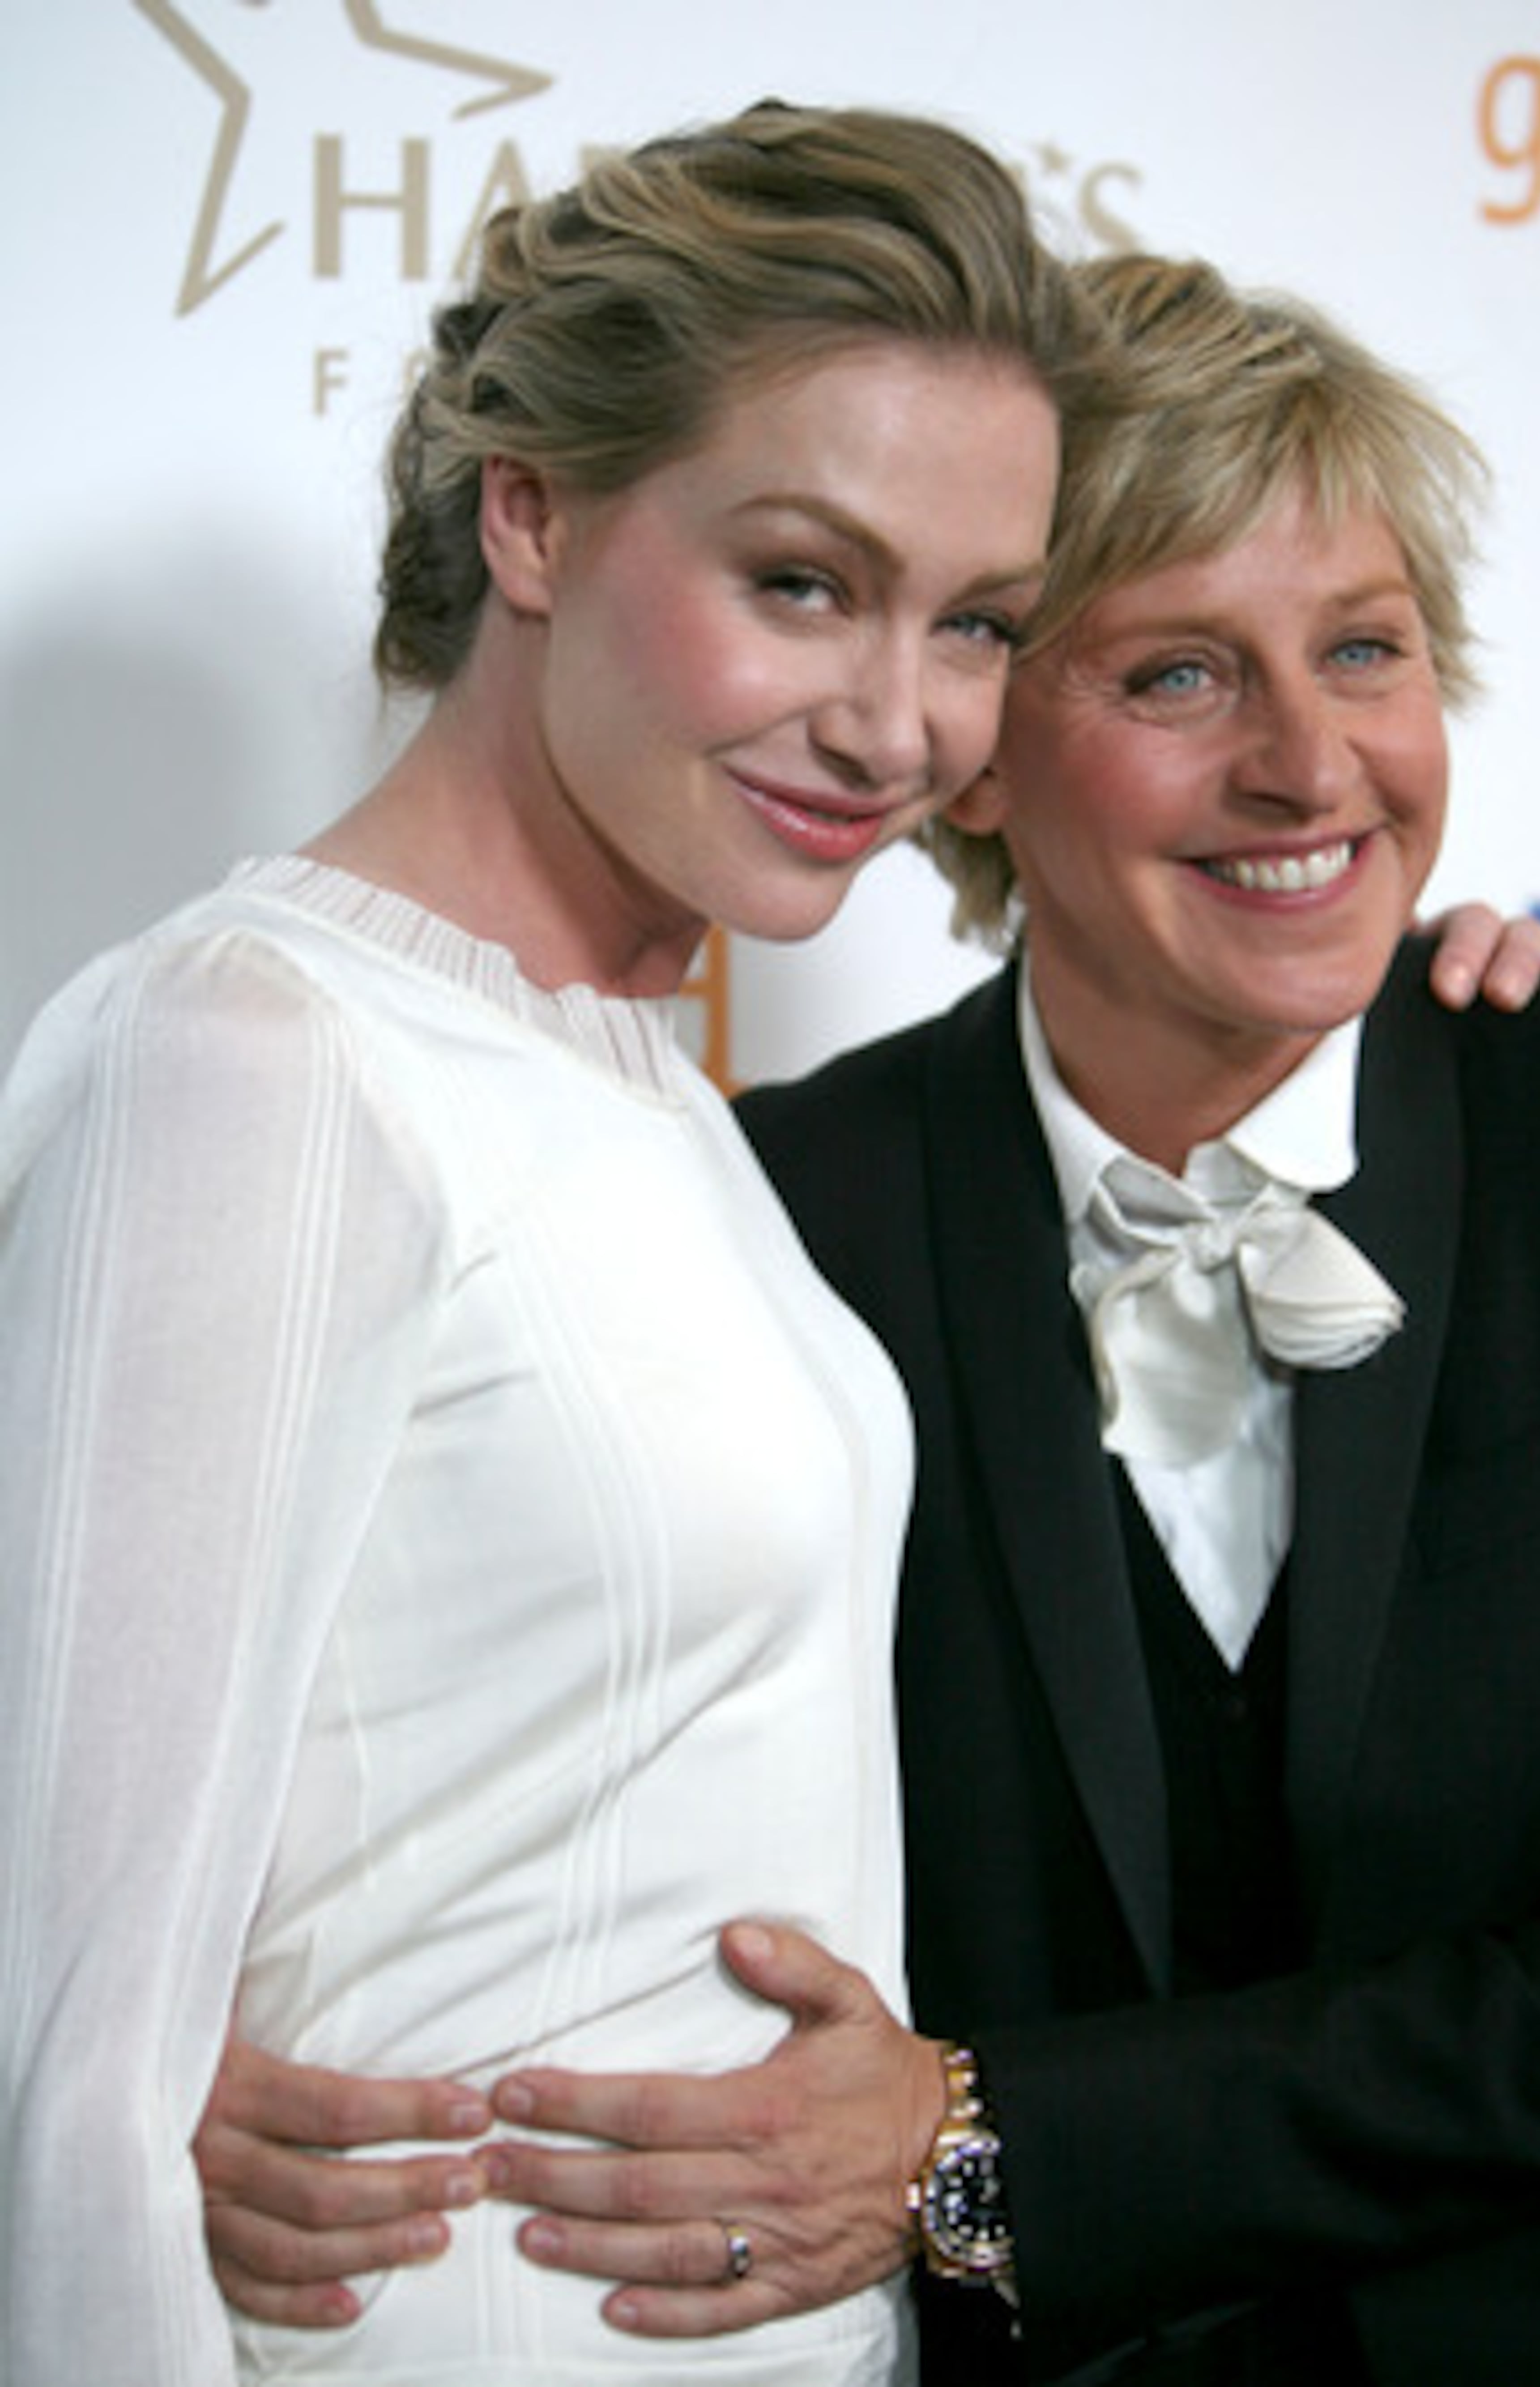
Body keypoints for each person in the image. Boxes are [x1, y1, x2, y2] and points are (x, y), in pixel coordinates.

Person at [183, 252, 1540, 2385]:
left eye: (1363, 649)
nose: (1311, 766)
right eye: (1180, 675)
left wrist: (970, 2156)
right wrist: (223, 2065)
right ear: (978, 757)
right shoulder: (767, 1207)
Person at [0, 98, 1119, 2387]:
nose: (897, 723)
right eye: (801, 579)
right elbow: (73, 2064)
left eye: (976, 621)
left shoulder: (638, 1073)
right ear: (531, 509)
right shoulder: (260, 1053)